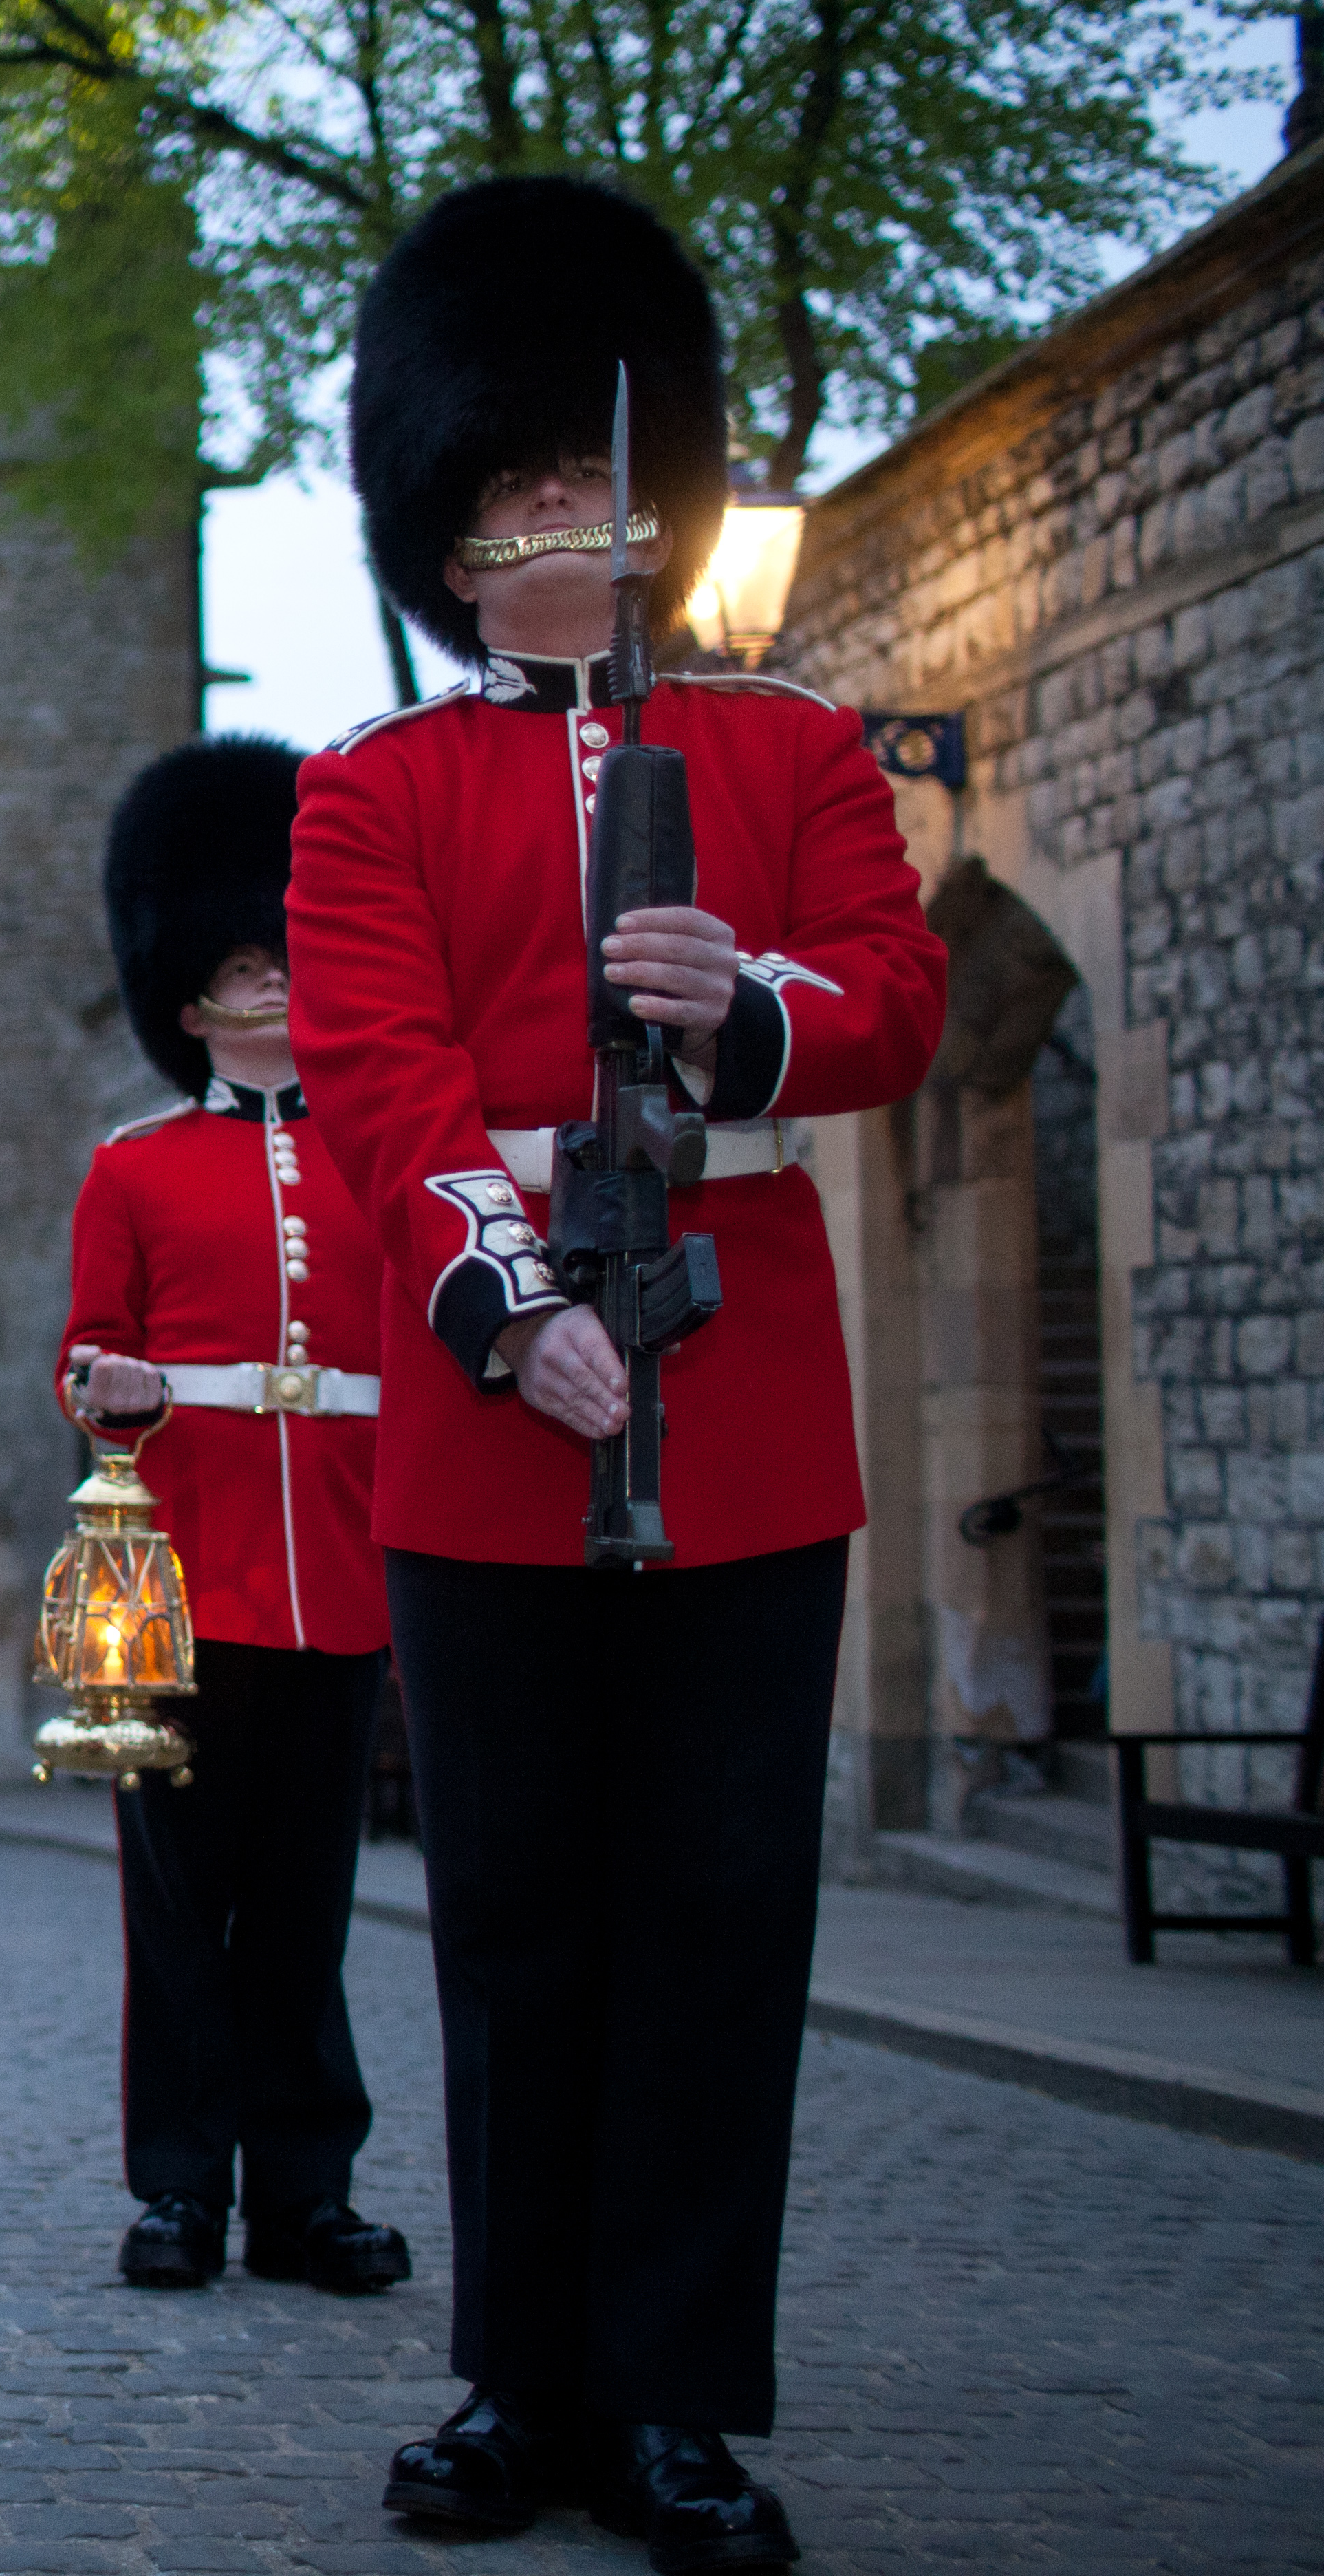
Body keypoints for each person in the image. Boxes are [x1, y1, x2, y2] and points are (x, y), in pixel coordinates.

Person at [285, 176, 947, 2573]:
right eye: (505, 493)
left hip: (743, 1401)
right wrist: (504, 1302)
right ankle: (515, 2376)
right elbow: (370, 1073)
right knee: (512, 1919)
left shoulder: (787, 748)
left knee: (712, 1914)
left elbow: (893, 991)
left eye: (580, 476)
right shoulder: (374, 785)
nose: (550, 516)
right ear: (447, 540)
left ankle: (674, 2394)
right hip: (493, 1418)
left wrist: (741, 998)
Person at [58, 738, 411, 2302]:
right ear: (188, 998)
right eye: (240, 968)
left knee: (308, 1909)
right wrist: (117, 1385)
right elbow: (84, 1357)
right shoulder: (132, 1168)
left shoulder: (383, 1155)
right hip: (176, 1577)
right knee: (179, 1905)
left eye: (285, 961)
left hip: (339, 1571)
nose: (268, 986)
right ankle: (182, 2189)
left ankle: (307, 2192)